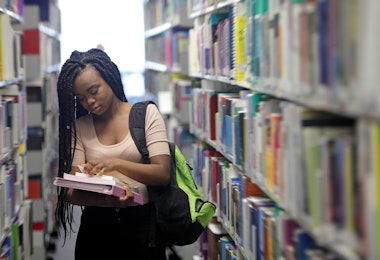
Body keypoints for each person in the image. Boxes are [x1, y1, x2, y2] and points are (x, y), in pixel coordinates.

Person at [55, 48, 170, 259]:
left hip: (144, 228)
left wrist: (115, 164)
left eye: (94, 90)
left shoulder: (146, 114)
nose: (88, 102)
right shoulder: (80, 127)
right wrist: (111, 201)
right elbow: (71, 193)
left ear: (110, 78)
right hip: (97, 229)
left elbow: (162, 173)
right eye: (80, 98)